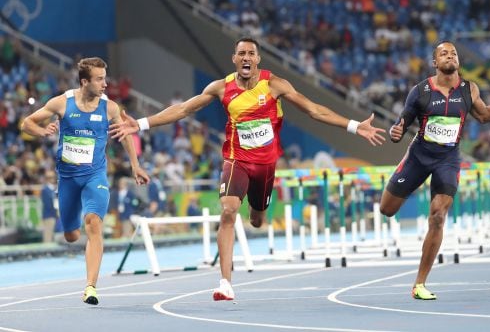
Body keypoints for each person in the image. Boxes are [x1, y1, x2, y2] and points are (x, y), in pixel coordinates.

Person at [109, 37, 386, 301]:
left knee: (256, 219)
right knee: (228, 210)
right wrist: (142, 123)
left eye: (251, 53)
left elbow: (313, 110)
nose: (246, 57)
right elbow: (183, 109)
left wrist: (354, 126)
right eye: (241, 53)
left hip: (265, 166)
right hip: (236, 159)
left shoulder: (274, 85)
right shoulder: (221, 87)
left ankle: (257, 212)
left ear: (258, 59)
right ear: (234, 59)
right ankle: (225, 283)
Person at [379, 41, 490, 300]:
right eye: (444, 53)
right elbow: (401, 123)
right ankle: (403, 171)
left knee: (438, 216)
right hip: (419, 156)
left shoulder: (469, 89)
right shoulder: (420, 91)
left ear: (458, 61)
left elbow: (484, 116)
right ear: (434, 62)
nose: (450, 56)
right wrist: (396, 132)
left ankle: (419, 284)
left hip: (448, 160)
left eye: (454, 53)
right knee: (387, 209)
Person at [21, 57, 150, 305]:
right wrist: (42, 131)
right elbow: (27, 123)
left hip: (95, 175)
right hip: (68, 178)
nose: (105, 84)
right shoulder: (61, 103)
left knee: (94, 224)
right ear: (84, 81)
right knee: (71, 235)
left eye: (105, 78)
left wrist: (135, 165)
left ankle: (90, 287)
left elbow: (125, 136)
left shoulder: (110, 108)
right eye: (100, 79)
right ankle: (74, 221)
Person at [40, 170, 58, 243]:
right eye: (50, 177)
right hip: (49, 215)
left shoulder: (53, 189)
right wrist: (56, 210)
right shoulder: (45, 190)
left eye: (53, 177)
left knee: (52, 235)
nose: (52, 179)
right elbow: (48, 204)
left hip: (53, 215)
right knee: (47, 235)